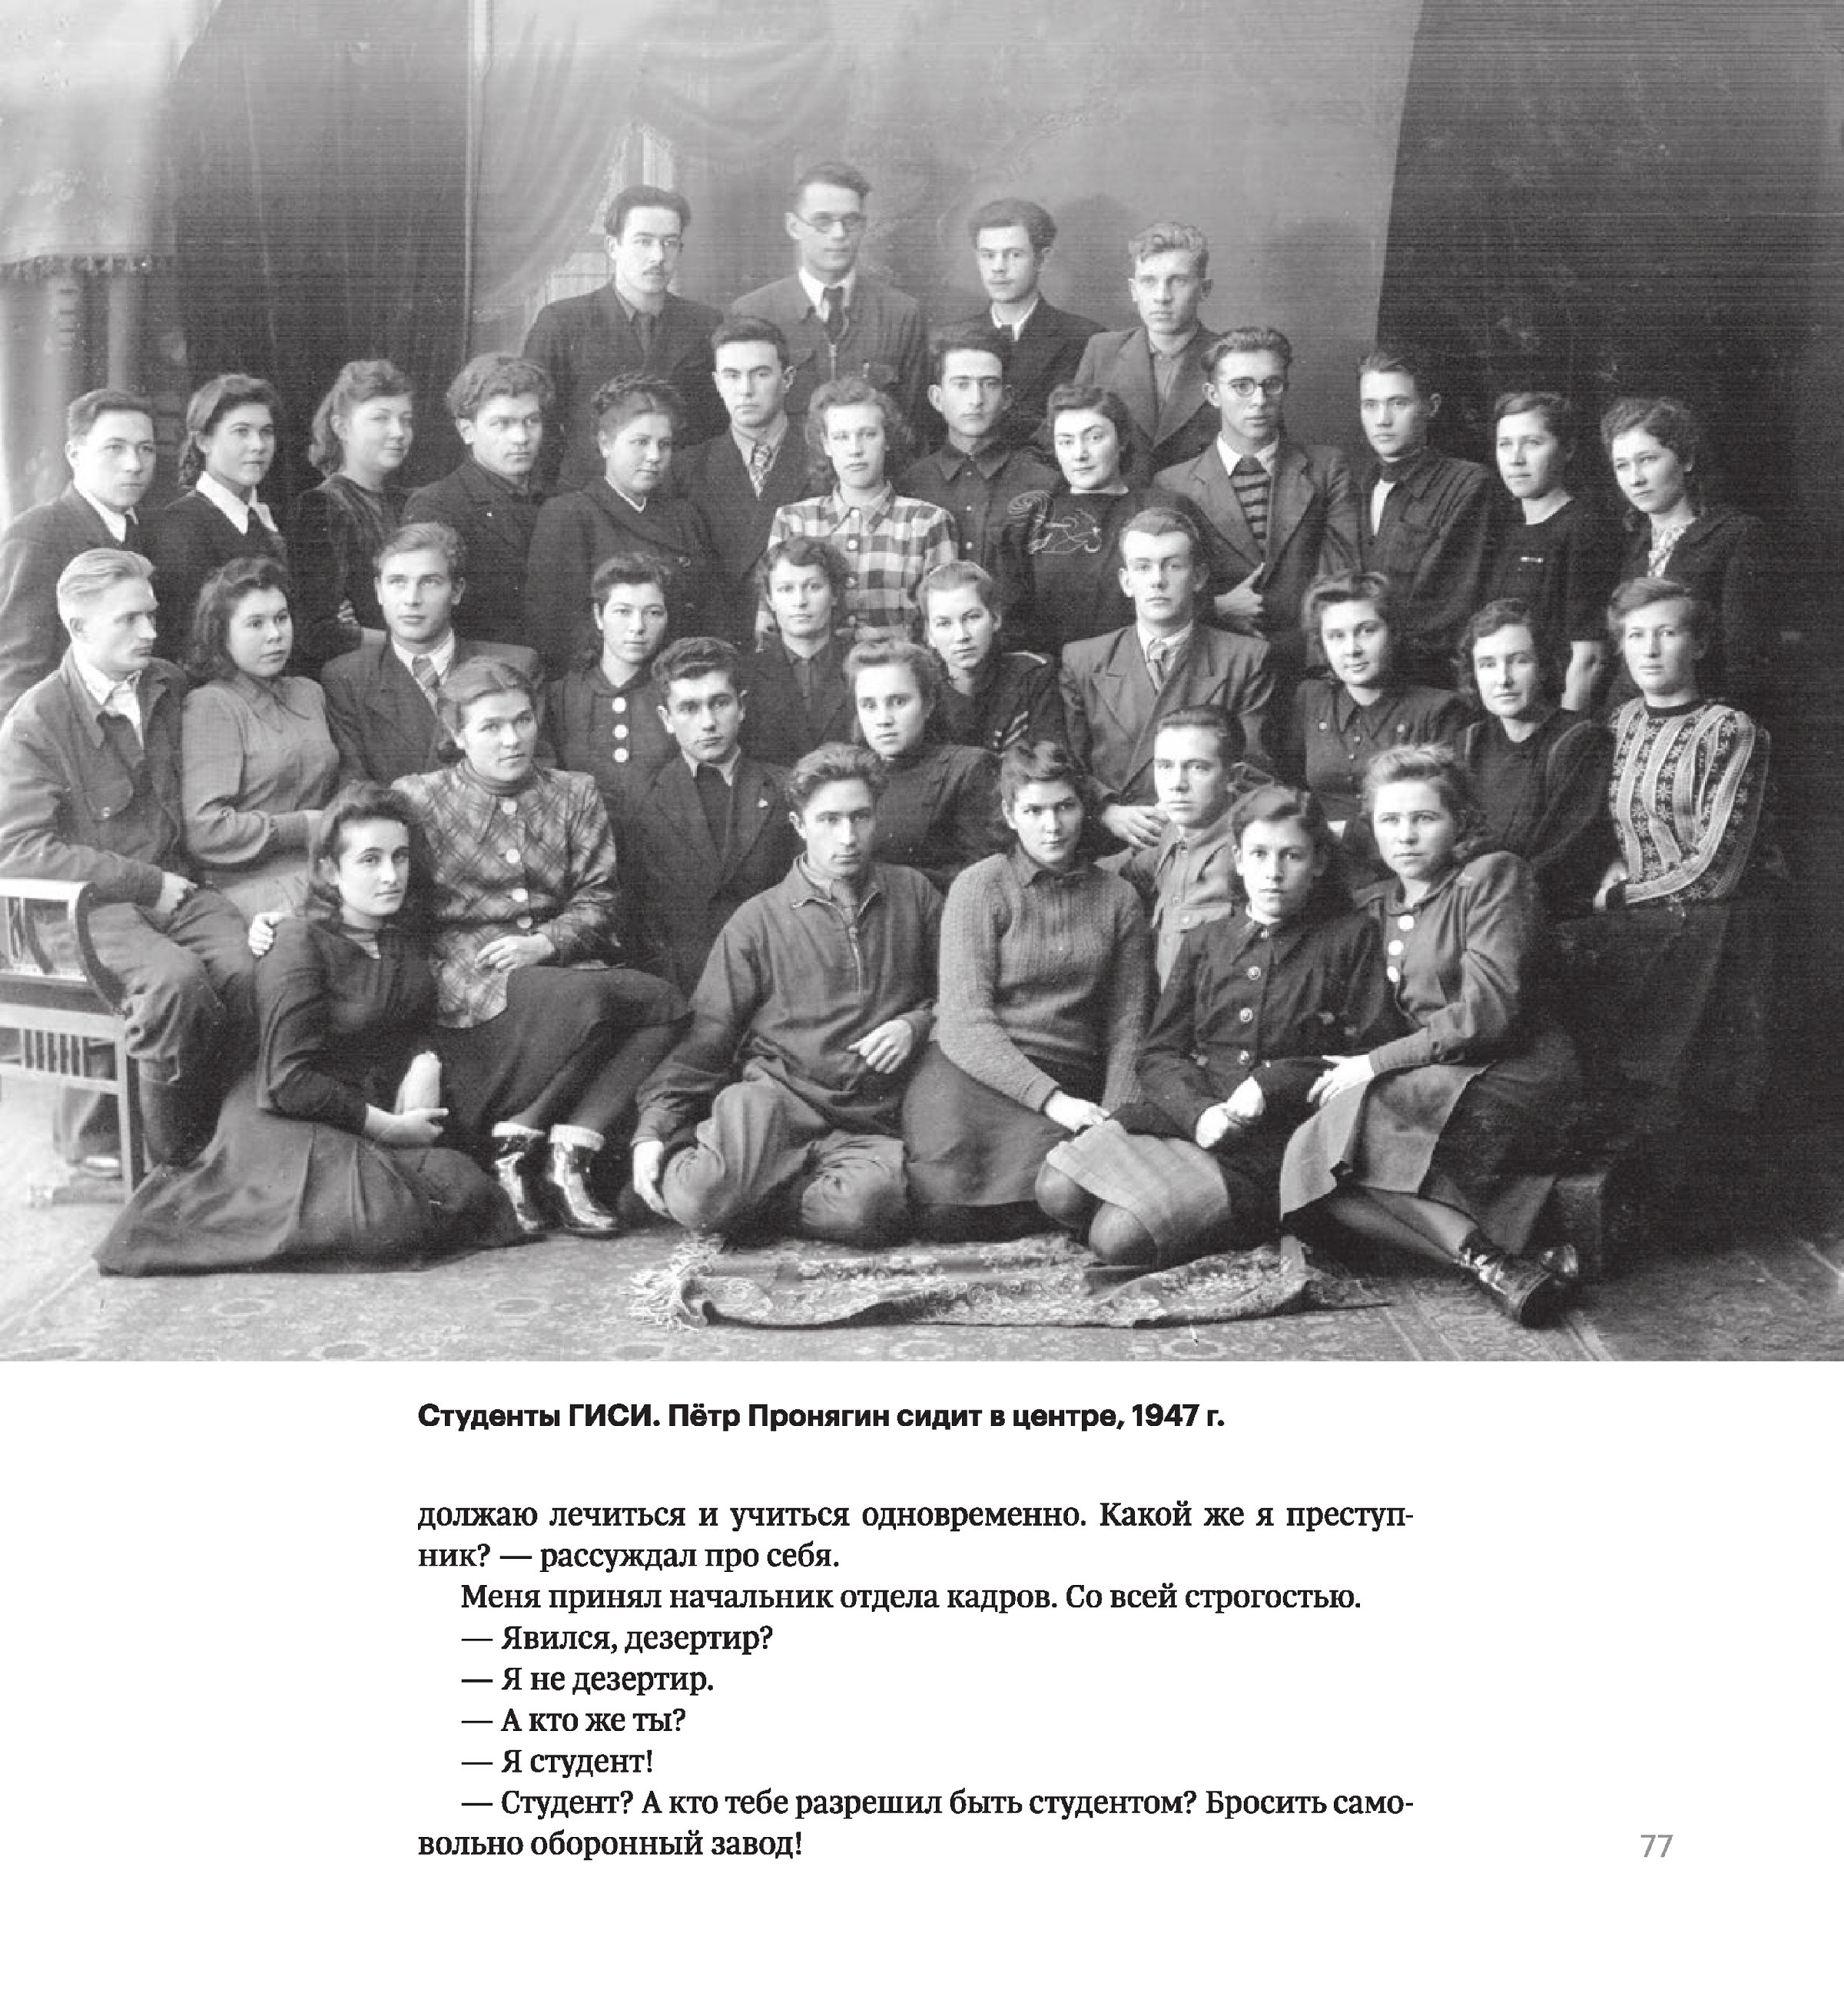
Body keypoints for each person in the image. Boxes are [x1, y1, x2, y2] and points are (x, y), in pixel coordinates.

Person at [94, 781, 526, 1274]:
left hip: (348, 1112)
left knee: (468, 1188)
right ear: (331, 871)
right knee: (389, 1217)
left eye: (400, 857)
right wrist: (388, 1127)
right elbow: (285, 1081)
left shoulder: (399, 936)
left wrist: (425, 1061)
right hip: (280, 1116)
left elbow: (411, 1020)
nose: (391, 876)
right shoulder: (296, 941)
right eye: (370, 860)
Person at [1279, 744, 1583, 1327]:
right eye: (1390, 820)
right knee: (1314, 1172)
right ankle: (1494, 1263)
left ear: (1459, 822)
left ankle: (1496, 1255)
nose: (1406, 835)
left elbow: (1488, 1014)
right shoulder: (1373, 905)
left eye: (1424, 818)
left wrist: (1375, 1064)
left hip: (1514, 1072)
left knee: (1347, 1123)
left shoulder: (1490, 878)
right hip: (1429, 1078)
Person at [394, 656, 686, 1237]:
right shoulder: (419, 799)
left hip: (558, 963)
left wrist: (545, 942)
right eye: (491, 726)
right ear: (457, 734)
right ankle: (513, 1154)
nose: (512, 739)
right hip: (470, 975)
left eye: (523, 721)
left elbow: (600, 898)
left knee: (666, 1006)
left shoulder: (574, 793)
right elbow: (391, 900)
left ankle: (565, 1151)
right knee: (590, 1001)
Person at [1040, 784, 1391, 1266]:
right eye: (1259, 854)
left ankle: (1209, 1212)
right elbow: (1160, 1053)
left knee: (1116, 1241)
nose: (1273, 872)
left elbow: (1372, 1053)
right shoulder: (1207, 941)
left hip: (1274, 1140)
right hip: (1192, 1116)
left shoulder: (1350, 937)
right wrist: (1199, 1112)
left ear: (1318, 863)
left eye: (1292, 856)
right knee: (1056, 1190)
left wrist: (1274, 1083)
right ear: (1239, 860)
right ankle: (1165, 1203)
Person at [0, 549, 256, 1168]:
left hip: (173, 891)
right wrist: (144, 883)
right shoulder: (36, 720)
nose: (149, 631)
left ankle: (230, 1134)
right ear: (78, 627)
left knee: (249, 966)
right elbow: (17, 850)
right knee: (175, 981)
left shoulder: (165, 684)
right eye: (129, 619)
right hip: (79, 910)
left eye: (152, 616)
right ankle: (173, 1164)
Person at [630, 742, 941, 1246]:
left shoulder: (915, 895)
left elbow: (961, 996)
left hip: (863, 1122)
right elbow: (706, 1038)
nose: (847, 837)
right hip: (772, 1106)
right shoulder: (758, 920)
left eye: (860, 817)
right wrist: (653, 1131)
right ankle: (711, 1170)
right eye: (829, 820)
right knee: (700, 1201)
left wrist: (916, 1024)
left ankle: (755, 1196)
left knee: (868, 1211)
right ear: (799, 825)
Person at [902, 739, 1149, 1238]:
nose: (1052, 826)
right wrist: (1053, 1101)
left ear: (1084, 810)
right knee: (944, 1212)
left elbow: (1128, 1025)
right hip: (969, 1070)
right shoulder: (980, 886)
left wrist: (1116, 1122)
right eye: (1034, 811)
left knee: (1056, 1198)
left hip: (1067, 1069)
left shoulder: (1118, 898)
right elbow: (966, 1023)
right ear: (1010, 815)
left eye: (1065, 807)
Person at [1562, 578, 1776, 1149]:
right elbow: (1600, 821)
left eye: (1668, 633)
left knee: (1677, 1102)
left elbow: (1718, 869)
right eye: (1636, 636)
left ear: (1699, 644)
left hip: (1713, 926)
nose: (1650, 650)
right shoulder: (1621, 722)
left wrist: (1620, 897)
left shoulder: (1731, 730)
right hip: (1634, 921)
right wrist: (1611, 866)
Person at [1060, 506, 1276, 848]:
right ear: (1126, 582)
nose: (1157, 580)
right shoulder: (1083, 661)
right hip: (1108, 844)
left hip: (1207, 843)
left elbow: (1254, 770)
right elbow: (1065, 764)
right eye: (1143, 567)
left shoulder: (1246, 659)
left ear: (1199, 577)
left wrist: (1186, 815)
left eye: (1173, 565)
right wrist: (1106, 810)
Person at [1154, 327, 1359, 680]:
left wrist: (1321, 667)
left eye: (1271, 385)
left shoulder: (1326, 469)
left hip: (1312, 665)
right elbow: (1163, 586)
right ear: (1212, 394)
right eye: (1241, 386)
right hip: (1214, 669)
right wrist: (1216, 607)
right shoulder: (1173, 484)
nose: (1260, 400)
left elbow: (1341, 575)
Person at [622, 637, 797, 997]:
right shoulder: (642, 800)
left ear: (742, 707)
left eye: (720, 703)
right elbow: (639, 917)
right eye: (689, 708)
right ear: (666, 719)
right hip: (682, 991)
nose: (708, 723)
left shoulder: (785, 789)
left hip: (778, 984)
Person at [522, 183, 725, 493]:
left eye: (670, 243)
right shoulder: (562, 323)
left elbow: (717, 426)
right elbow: (535, 421)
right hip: (586, 499)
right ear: (613, 247)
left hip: (680, 500)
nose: (658, 256)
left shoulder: (705, 324)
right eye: (643, 241)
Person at [181, 557, 343, 919]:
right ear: (221, 634)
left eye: (281, 618)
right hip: (248, 888)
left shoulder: (309, 693)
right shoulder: (212, 705)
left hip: (324, 871)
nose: (275, 634)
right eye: (255, 623)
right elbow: (206, 830)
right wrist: (301, 827)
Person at [523, 373, 716, 675]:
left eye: (664, 445)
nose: (654, 456)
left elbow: (711, 616)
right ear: (605, 444)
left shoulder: (685, 517)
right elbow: (555, 632)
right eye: (640, 443)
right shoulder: (570, 514)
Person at [322, 523, 542, 787]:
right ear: (379, 591)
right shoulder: (348, 679)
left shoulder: (516, 666)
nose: (412, 599)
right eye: (397, 582)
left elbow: (538, 776)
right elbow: (355, 789)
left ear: (457, 591)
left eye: (429, 582)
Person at [1287, 571, 1470, 879]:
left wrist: (1341, 833)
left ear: (1394, 633)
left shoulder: (1439, 710)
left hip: (1408, 874)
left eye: (1366, 631)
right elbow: (1292, 789)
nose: (1352, 649)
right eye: (1336, 636)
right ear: (1322, 644)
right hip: (1320, 874)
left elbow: (1447, 818)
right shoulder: (1310, 699)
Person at [1601, 395, 1772, 715]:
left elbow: (1745, 658)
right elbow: (1626, 665)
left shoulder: (1735, 535)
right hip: (1639, 718)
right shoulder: (1635, 547)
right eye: (1622, 465)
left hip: (1710, 718)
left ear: (1687, 459)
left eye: (1647, 460)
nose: (1635, 479)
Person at [731, 160, 928, 432]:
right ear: (793, 226)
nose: (839, 234)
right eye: (823, 221)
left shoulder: (902, 315)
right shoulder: (754, 312)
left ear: (864, 226)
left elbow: (914, 426)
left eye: (851, 221)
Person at [0, 389, 157, 721]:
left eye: (146, 449)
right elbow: (19, 673)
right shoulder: (37, 536)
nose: (134, 465)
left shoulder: (150, 532)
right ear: (75, 454)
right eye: (115, 448)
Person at [1454, 598, 1613, 918]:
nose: (1503, 679)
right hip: (1470, 906)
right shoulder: (1471, 742)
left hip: (1542, 912)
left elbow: (1568, 855)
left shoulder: (1581, 741)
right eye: (1487, 664)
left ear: (1544, 666)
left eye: (1519, 661)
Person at [766, 375, 955, 642]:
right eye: (841, 437)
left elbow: (945, 628)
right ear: (826, 445)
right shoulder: (793, 521)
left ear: (887, 440)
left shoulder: (927, 522)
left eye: (868, 434)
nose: (855, 450)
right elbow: (770, 628)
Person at [1355, 343, 1494, 687]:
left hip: (1427, 682)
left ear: (1431, 406)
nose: (1382, 420)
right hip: (1357, 676)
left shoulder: (1467, 483)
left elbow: (1452, 606)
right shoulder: (1358, 485)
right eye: (1370, 405)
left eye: (1398, 403)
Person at [673, 318, 811, 644]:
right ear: (717, 383)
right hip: (719, 645)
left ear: (787, 379)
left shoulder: (823, 458)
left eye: (760, 374)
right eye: (732, 376)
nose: (746, 390)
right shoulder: (685, 470)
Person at [403, 353, 553, 649]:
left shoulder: (561, 501)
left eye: (531, 421)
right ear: (467, 430)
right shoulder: (438, 505)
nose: (521, 437)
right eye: (502, 424)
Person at [1107, 706, 1269, 983]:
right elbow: (1116, 874)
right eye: (1165, 766)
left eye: (1197, 768)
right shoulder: (1171, 834)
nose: (1177, 784)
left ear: (1233, 777)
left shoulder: (1253, 852)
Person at [1485, 391, 1620, 712]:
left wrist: (1566, 733)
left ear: (1567, 449)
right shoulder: (1508, 530)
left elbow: (1590, 657)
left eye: (1532, 443)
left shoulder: (1584, 528)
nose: (1516, 459)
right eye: (1505, 444)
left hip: (1556, 714)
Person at [997, 386, 1152, 655]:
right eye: (1066, 442)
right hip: (1053, 671)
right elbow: (1011, 617)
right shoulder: (1031, 519)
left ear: (1122, 440)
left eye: (1094, 438)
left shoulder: (1157, 508)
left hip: (1141, 666)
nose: (1080, 454)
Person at [286, 359, 415, 677]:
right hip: (356, 680)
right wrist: (414, 644)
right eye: (380, 419)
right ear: (342, 428)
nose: (398, 432)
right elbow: (317, 633)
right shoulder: (321, 507)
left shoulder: (410, 503)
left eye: (406, 420)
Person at [144, 374, 287, 663]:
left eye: (266, 432)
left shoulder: (269, 519)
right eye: (241, 432)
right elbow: (184, 641)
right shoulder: (180, 527)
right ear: (203, 441)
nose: (258, 445)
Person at [1070, 222, 1221, 482]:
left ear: (1204, 290)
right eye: (1149, 282)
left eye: (1178, 281)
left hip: (1202, 504)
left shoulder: (1230, 358)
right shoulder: (1103, 351)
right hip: (1118, 502)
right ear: (1134, 290)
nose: (1162, 296)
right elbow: (1057, 440)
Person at [850, 638, 1001, 890]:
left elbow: (983, 879)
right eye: (869, 705)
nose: (883, 719)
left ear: (928, 704)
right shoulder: (849, 775)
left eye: (898, 702)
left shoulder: (967, 769)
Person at [903, 326, 1056, 575]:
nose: (976, 399)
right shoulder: (912, 485)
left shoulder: (1044, 484)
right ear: (936, 398)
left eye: (989, 384)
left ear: (1007, 398)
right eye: (962, 385)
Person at [966, 197, 1101, 451]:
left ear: (1042, 260)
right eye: (988, 255)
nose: (998, 268)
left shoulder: (1086, 340)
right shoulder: (952, 340)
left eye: (1014, 255)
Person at [917, 559, 1063, 756]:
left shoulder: (1032, 676)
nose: (961, 636)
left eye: (972, 617)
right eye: (944, 624)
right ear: (929, 634)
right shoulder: (921, 690)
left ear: (995, 618)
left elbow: (1050, 760)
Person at [737, 536, 857, 764]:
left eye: (813, 587)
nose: (800, 601)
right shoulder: (746, 674)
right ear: (770, 600)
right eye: (786, 589)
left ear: (834, 594)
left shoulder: (862, 666)